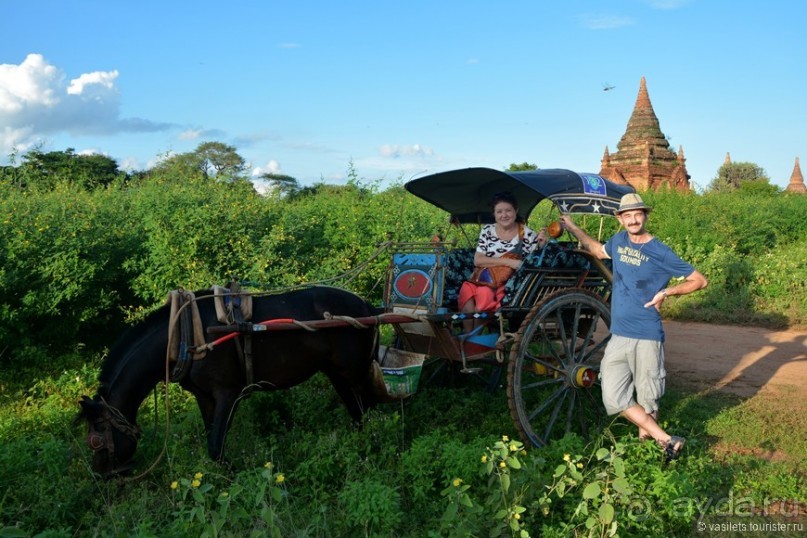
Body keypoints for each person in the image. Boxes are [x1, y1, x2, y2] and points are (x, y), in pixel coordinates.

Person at [559, 193, 707, 463]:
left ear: (645, 216)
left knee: (648, 398)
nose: (633, 219)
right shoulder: (618, 242)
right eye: (628, 215)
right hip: (619, 335)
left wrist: (668, 292)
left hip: (647, 335)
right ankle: (666, 440)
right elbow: (596, 249)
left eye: (638, 214)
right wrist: (573, 228)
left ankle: (647, 457)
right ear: (621, 219)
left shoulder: (659, 251)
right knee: (613, 395)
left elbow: (699, 280)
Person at [458, 191, 547, 333]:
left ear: (516, 211)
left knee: (484, 294)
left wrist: (542, 245)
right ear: (494, 214)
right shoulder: (487, 230)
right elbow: (478, 260)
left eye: (508, 211)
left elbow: (533, 262)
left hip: (506, 284)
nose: (504, 215)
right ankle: (469, 337)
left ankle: (475, 338)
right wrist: (508, 262)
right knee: (466, 290)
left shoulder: (527, 234)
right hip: (482, 278)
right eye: (499, 211)